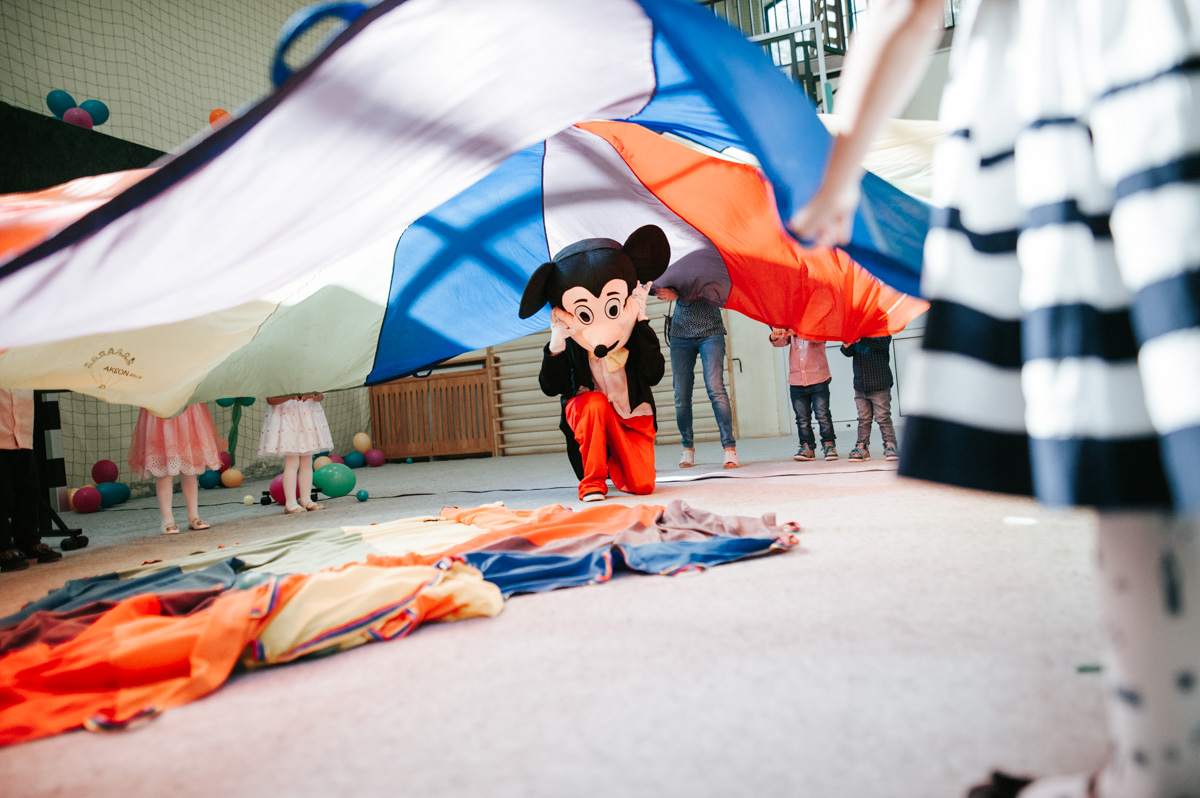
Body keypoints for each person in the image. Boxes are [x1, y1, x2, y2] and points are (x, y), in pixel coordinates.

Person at [789, 1, 1200, 796]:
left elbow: (906, 10)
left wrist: (839, 175)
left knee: (1135, 439)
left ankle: (1155, 769)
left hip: (1101, 86)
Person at [521, 226, 668, 502]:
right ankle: (593, 482)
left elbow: (654, 374)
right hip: (590, 420)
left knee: (643, 485)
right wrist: (557, 344)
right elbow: (551, 387)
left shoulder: (632, 333)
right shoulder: (572, 340)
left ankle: (619, 463)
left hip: (630, 418)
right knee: (594, 402)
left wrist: (641, 322)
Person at [654, 288, 737, 469]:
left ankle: (729, 448)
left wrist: (679, 294)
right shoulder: (675, 269)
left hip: (711, 330)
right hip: (680, 333)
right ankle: (687, 447)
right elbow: (657, 284)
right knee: (681, 395)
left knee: (716, 388)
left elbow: (713, 288)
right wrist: (660, 291)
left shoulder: (710, 268)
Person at [128, 402, 227, 534]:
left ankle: (194, 516)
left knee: (190, 468)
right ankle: (167, 520)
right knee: (164, 470)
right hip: (161, 410)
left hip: (186, 410)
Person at [0, 388, 62, 570]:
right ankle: (2, 547)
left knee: (29, 492)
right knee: (1, 496)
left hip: (22, 434)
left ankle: (28, 542)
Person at [259, 393, 333, 514]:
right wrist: (291, 396)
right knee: (292, 462)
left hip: (307, 417)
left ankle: (306, 500)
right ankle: (291, 502)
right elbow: (271, 399)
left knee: (307, 462)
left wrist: (312, 395)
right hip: (288, 419)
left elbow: (320, 396)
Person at [770, 328, 837, 461]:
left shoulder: (815, 322)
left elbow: (821, 338)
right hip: (797, 380)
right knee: (802, 419)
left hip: (818, 378)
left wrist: (797, 331)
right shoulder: (789, 324)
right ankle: (807, 447)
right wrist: (774, 336)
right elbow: (781, 342)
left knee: (822, 415)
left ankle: (829, 445)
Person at [839, 336, 898, 462]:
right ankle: (862, 447)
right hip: (861, 384)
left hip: (879, 383)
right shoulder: (855, 332)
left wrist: (861, 339)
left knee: (883, 417)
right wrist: (846, 345)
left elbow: (883, 343)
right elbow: (848, 353)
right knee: (863, 418)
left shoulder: (881, 330)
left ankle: (891, 445)